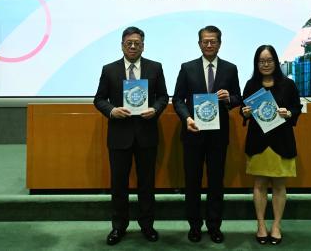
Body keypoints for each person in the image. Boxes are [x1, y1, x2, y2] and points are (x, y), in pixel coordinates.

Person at [94, 26, 169, 246]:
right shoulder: (109, 70)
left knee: (147, 184)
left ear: (143, 46)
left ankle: (147, 225)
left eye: (137, 43)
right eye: (129, 43)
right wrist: (111, 111)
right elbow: (99, 99)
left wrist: (155, 109)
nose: (133, 46)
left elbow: (163, 96)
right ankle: (118, 227)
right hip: (119, 136)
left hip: (147, 134)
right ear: (122, 45)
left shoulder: (155, 67)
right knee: (119, 185)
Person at [173, 25, 241, 244]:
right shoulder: (187, 68)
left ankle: (214, 226)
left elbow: (238, 98)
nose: (209, 45)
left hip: (218, 136)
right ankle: (194, 226)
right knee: (192, 182)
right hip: (193, 133)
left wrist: (229, 98)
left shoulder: (230, 69)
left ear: (220, 43)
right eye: (205, 41)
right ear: (199, 43)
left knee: (216, 183)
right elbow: (178, 99)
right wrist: (187, 118)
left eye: (213, 41)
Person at [241, 45, 303, 246]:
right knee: (259, 185)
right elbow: (243, 109)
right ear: (256, 63)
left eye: (269, 60)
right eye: (261, 61)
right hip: (258, 141)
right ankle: (260, 225)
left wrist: (289, 113)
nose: (265, 64)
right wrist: (245, 112)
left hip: (281, 141)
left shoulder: (288, 84)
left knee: (279, 185)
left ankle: (276, 226)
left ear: (276, 62)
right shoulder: (251, 84)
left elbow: (296, 108)